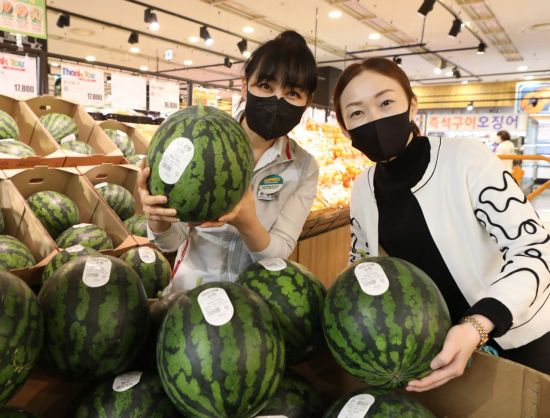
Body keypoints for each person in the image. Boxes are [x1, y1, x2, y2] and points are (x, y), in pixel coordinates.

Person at [332, 57, 550, 390]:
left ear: (412, 106)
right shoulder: (363, 188)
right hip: (433, 352)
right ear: (346, 128)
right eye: (357, 113)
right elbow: (362, 266)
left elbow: (534, 249)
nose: (374, 118)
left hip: (515, 339)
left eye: (386, 102)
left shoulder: (466, 159)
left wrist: (478, 324)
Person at [138, 31, 319, 292]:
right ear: (245, 84)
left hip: (252, 301)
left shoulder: (303, 167)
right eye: (266, 86)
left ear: (307, 101)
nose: (277, 100)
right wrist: (157, 219)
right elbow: (171, 244)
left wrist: (247, 221)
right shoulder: (197, 140)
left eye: (292, 93)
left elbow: (279, 259)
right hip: (190, 292)